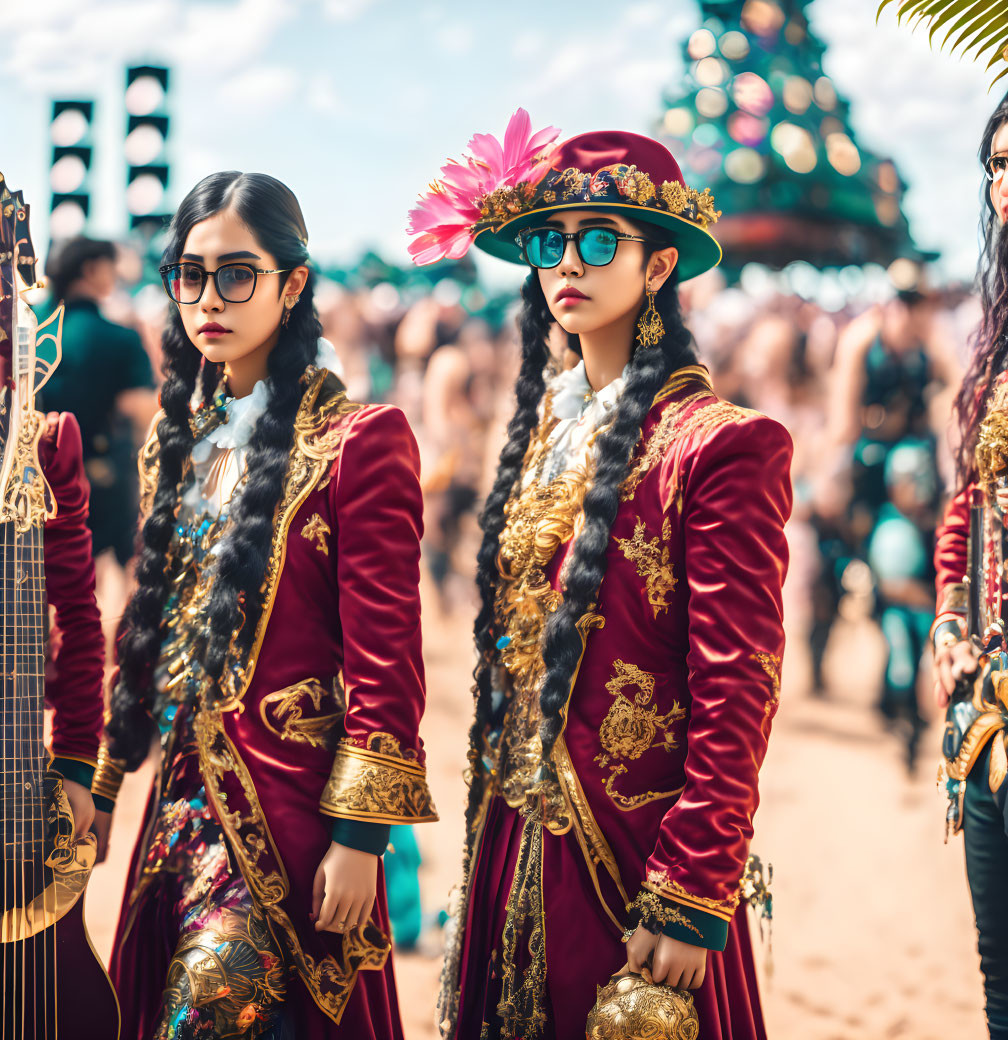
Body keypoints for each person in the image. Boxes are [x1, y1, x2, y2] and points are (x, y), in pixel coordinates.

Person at [409, 112, 792, 1039]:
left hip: (636, 855)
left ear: (659, 264)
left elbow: (739, 680)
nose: (567, 263)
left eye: (595, 238)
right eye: (549, 240)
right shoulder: (546, 431)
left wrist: (694, 887)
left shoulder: (722, 446)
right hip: (515, 832)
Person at [90, 171, 437, 1039]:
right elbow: (145, 632)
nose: (210, 298)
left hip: (289, 824)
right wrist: (104, 780)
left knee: (210, 1008)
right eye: (190, 274)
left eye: (237, 273)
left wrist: (362, 837)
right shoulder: (180, 445)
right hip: (178, 817)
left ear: (292, 285)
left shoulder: (358, 442)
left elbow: (387, 656)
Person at [934, 91, 1008, 1040]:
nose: (1004, 185)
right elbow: (968, 503)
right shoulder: (997, 343)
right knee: (1001, 983)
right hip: (988, 717)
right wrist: (951, 624)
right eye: (994, 166)